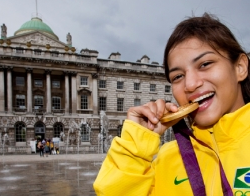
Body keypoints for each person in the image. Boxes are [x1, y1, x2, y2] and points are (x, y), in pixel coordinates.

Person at [93, 13, 250, 196]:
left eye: (205, 64)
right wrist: (135, 147)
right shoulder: (166, 159)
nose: (190, 85)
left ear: (240, 67)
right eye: (178, 76)